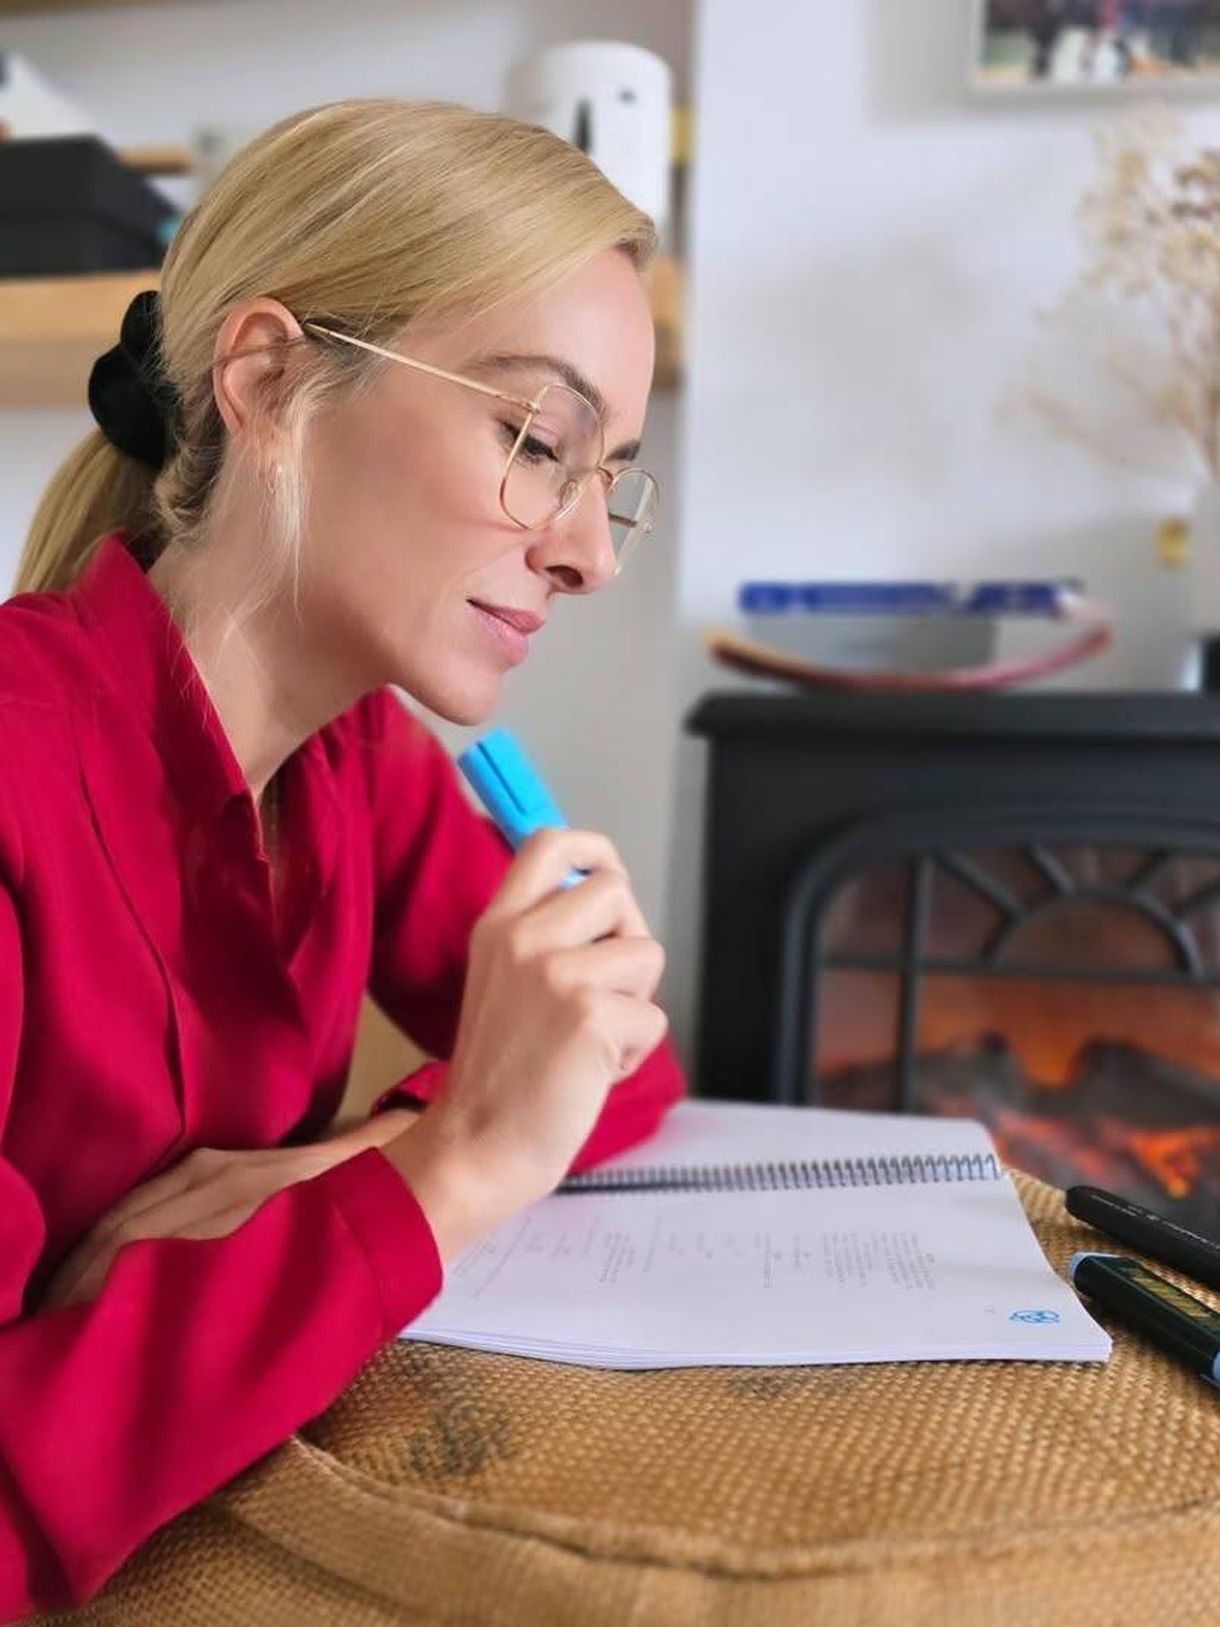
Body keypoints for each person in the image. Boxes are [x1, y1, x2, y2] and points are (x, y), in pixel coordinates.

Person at [0, 96, 684, 1618]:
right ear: (268, 377)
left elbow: (621, 1060)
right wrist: (455, 1164)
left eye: (609, 473)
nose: (590, 553)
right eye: (534, 440)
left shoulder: (360, 760)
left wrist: (329, 1169)